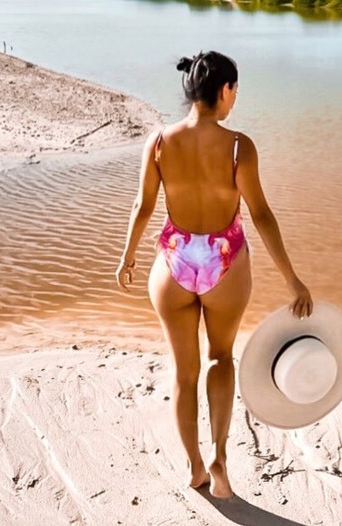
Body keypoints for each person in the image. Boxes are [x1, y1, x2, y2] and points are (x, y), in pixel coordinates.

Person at [116, 51, 313, 498]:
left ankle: (194, 468)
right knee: (221, 358)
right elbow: (260, 214)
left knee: (183, 373)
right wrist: (292, 278)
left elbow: (142, 206)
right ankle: (220, 456)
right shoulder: (240, 146)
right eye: (235, 92)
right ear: (225, 91)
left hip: (173, 264)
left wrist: (127, 257)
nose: (235, 102)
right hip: (224, 264)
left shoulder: (160, 142)